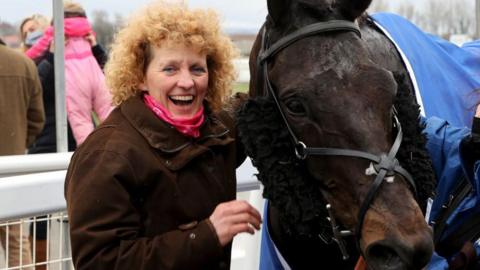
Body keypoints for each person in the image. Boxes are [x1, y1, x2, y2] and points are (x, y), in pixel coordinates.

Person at [65, 2, 262, 269]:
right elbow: (100, 262)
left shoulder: (216, 130)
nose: (187, 82)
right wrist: (206, 235)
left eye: (197, 68)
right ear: (140, 78)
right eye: (170, 69)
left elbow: (252, 110)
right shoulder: (106, 155)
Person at [25, 1, 113, 145]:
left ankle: (92, 149)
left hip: (73, 83)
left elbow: (36, 50)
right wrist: (51, 56)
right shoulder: (85, 31)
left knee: (81, 121)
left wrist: (96, 48)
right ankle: (114, 143)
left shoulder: (58, 34)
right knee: (109, 112)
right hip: (93, 74)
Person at [0, 37, 44, 269]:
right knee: (16, 240)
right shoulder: (24, 64)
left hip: (12, 163)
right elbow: (37, 119)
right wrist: (18, 145)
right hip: (12, 166)